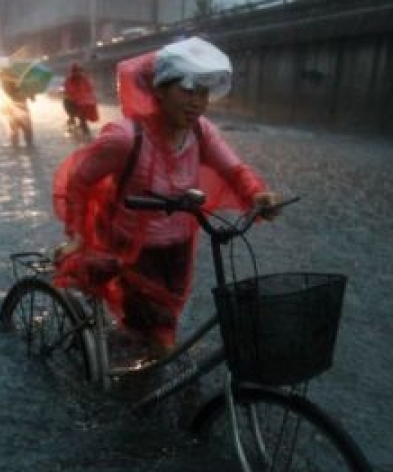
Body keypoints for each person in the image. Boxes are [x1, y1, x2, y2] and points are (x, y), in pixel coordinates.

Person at [52, 37, 281, 357]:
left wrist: (258, 196)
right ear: (158, 89)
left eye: (203, 92)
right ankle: (131, 390)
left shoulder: (201, 131)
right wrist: (77, 235)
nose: (197, 102)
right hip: (131, 250)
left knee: (158, 326)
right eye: (187, 90)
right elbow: (79, 182)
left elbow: (234, 170)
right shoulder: (125, 138)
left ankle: (134, 364)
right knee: (161, 340)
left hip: (178, 250)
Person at [62, 63, 99, 139]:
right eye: (76, 71)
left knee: (83, 119)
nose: (78, 73)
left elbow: (90, 89)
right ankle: (70, 128)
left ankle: (86, 134)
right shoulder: (69, 80)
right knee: (72, 117)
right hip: (70, 102)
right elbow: (68, 91)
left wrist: (91, 97)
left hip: (82, 102)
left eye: (79, 71)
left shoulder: (84, 79)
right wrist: (73, 96)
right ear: (73, 72)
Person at [1, 74, 34, 147]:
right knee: (27, 132)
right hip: (23, 112)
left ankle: (15, 148)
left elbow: (4, 101)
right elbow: (33, 99)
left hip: (12, 112)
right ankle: (29, 147)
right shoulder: (24, 87)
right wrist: (31, 93)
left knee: (14, 133)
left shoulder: (7, 89)